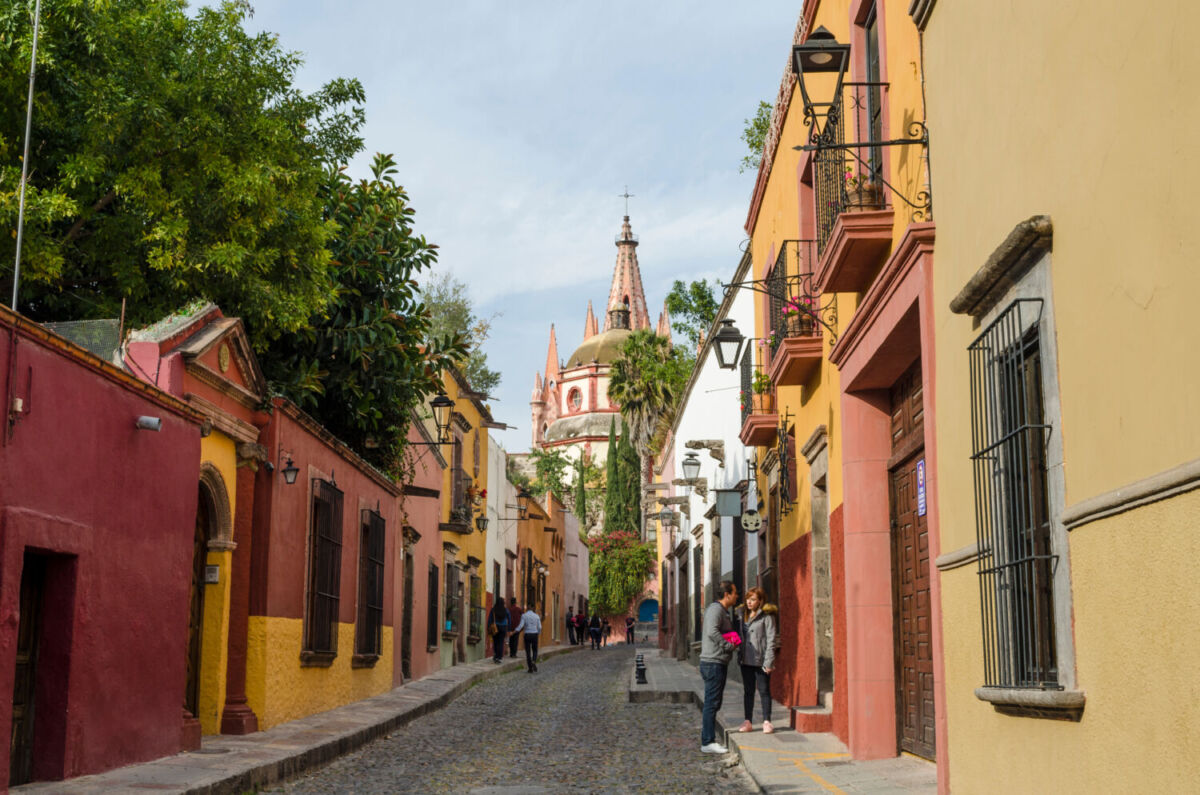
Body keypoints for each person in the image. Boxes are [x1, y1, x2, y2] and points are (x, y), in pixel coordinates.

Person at [700, 580, 740, 754]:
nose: (737, 596)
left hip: (717, 662)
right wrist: (727, 646)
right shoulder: (716, 610)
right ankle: (707, 742)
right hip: (713, 662)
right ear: (727, 594)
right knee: (711, 702)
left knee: (714, 702)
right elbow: (712, 632)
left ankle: (708, 740)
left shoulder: (722, 611)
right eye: (735, 592)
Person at [735, 587, 779, 734]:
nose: (749, 601)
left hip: (761, 661)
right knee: (748, 691)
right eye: (748, 598)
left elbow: (771, 639)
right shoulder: (742, 615)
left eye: (753, 599)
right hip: (746, 660)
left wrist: (769, 662)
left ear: (760, 601)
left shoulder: (767, 616)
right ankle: (748, 721)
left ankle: (767, 721)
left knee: (764, 690)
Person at [510, 605, 543, 672]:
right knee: (535, 650)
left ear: (527, 608)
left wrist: (513, 632)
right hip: (534, 634)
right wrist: (538, 633)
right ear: (533, 608)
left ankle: (530, 668)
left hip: (527, 634)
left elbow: (520, 626)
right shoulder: (536, 616)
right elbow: (540, 627)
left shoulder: (524, 616)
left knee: (528, 651)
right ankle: (533, 661)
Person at [488, 597, 510, 664]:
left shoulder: (493, 609)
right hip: (503, 627)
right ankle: (499, 657)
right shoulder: (506, 610)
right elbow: (509, 619)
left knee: (495, 642)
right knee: (501, 642)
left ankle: (495, 655)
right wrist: (508, 628)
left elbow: (490, 619)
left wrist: (489, 627)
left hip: (495, 627)